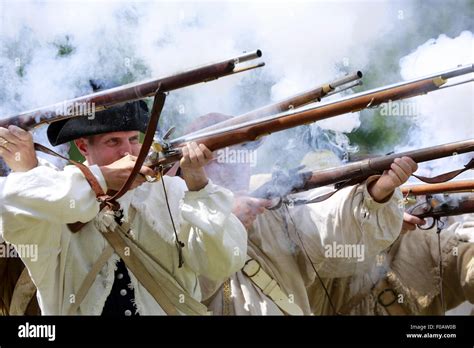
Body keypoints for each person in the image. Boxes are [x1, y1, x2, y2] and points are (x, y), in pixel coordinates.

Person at [0, 101, 247, 315]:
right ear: (84, 147)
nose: (127, 151)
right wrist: (102, 179)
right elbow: (12, 200)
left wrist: (197, 183)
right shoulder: (57, 197)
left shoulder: (171, 191)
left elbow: (220, 264)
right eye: (113, 141)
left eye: (133, 139)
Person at [188, 114, 417, 315]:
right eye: (219, 156)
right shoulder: (177, 211)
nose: (237, 162)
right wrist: (225, 224)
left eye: (242, 151)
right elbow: (189, 287)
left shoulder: (268, 192)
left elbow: (324, 223)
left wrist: (377, 193)